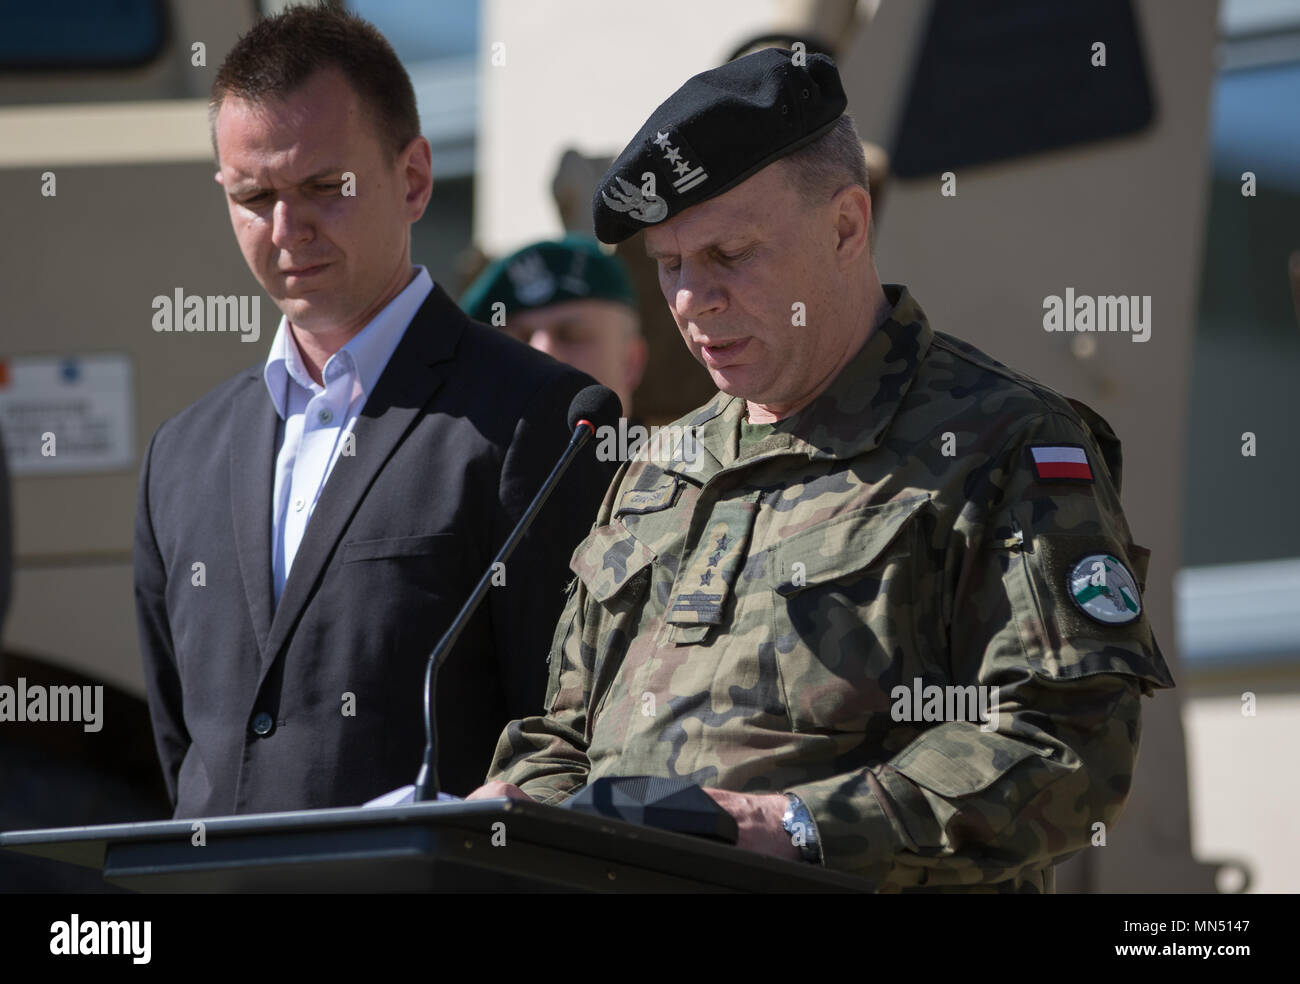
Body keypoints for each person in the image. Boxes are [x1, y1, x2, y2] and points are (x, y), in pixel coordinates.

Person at [469, 47, 1174, 892]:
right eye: (670, 265)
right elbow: (563, 735)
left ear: (846, 225)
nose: (693, 300)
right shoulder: (658, 465)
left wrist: (801, 830)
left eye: (729, 254)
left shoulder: (1003, 441)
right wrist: (516, 819)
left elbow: (1069, 745)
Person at [133, 6, 610, 818]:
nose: (287, 229)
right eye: (253, 195)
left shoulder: (538, 421)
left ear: (415, 178)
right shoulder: (180, 457)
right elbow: (186, 752)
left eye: (325, 187)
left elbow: (566, 740)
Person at [460, 236, 647, 419]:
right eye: (520, 340)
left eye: (570, 336)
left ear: (631, 362)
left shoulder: (672, 448)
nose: (542, 351)